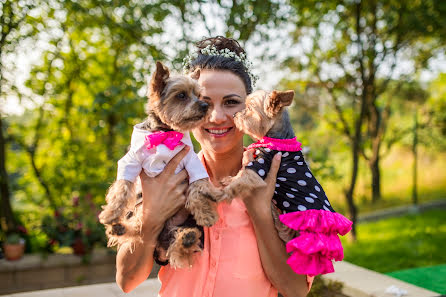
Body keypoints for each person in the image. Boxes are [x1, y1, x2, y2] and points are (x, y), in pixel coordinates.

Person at [115, 36, 313, 297]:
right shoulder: (161, 177)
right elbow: (127, 281)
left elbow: (296, 290)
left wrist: (260, 213)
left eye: (231, 102)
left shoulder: (281, 181)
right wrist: (151, 217)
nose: (217, 117)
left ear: (249, 105)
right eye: (204, 102)